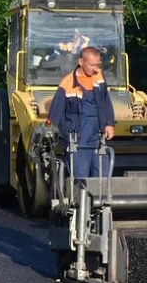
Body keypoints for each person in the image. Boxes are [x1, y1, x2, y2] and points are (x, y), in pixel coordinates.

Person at [46, 46, 116, 183]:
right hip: (78, 139)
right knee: (79, 177)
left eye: (97, 64)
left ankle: (101, 202)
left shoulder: (99, 77)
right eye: (92, 65)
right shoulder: (67, 83)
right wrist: (52, 131)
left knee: (103, 175)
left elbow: (105, 101)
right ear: (81, 61)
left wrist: (109, 124)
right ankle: (78, 203)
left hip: (97, 137)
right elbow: (55, 111)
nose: (95, 68)